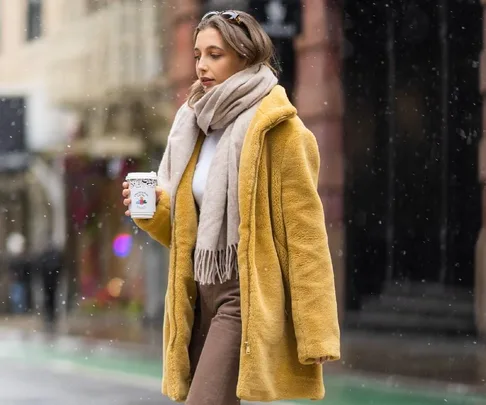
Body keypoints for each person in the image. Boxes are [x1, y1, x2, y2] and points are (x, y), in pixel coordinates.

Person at [122, 10, 340, 404]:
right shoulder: (194, 125)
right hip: (195, 290)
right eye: (196, 55)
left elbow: (306, 237)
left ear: (245, 56)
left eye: (215, 54)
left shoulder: (282, 132)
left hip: (244, 295)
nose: (202, 66)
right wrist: (152, 211)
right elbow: (184, 232)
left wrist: (317, 330)